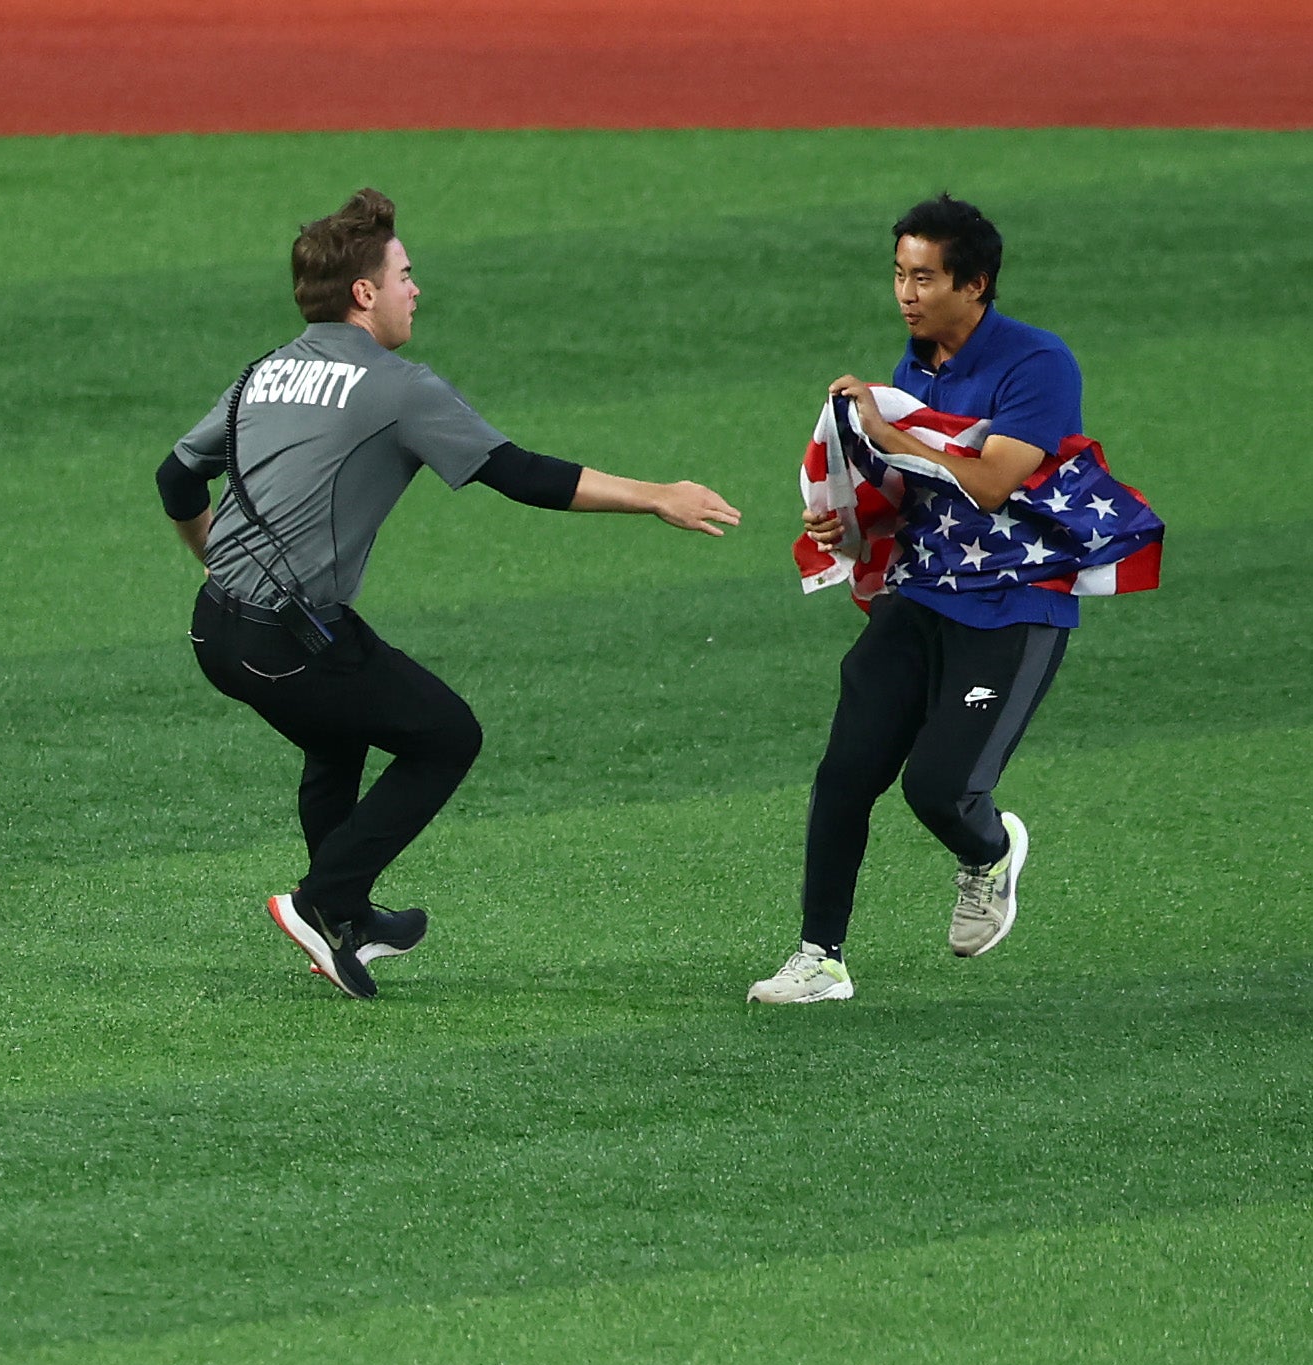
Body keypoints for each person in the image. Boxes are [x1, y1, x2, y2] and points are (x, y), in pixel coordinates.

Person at [156, 187, 740, 999]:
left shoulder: (265, 369)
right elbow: (520, 474)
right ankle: (324, 900)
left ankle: (350, 918)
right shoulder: (398, 386)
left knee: (340, 723)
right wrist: (656, 494)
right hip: (288, 646)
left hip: (215, 632)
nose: (414, 288)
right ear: (364, 294)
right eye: (403, 273)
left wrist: (214, 560)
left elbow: (177, 474)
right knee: (445, 734)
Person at [751, 194, 1087, 1005]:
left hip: (1012, 607)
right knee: (845, 774)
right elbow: (916, 489)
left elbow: (990, 481)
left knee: (937, 788)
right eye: (900, 274)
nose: (906, 293)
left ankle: (990, 851)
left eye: (925, 278)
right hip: (923, 591)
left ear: (974, 285)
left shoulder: (1037, 365)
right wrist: (850, 523)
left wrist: (885, 427)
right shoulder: (917, 365)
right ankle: (819, 958)